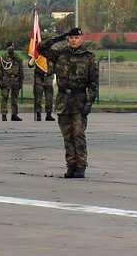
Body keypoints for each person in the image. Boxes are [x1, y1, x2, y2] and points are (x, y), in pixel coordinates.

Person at [37, 27, 99, 179]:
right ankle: (71, 164)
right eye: (70, 37)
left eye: (76, 38)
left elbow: (93, 82)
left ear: (81, 39)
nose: (73, 40)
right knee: (67, 135)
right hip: (63, 99)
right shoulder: (60, 54)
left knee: (78, 134)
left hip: (79, 99)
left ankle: (81, 166)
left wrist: (89, 103)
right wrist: (59, 37)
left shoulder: (89, 56)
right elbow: (40, 48)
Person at [0, 42, 24, 121]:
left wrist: (21, 81)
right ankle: (4, 114)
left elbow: (20, 70)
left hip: (15, 80)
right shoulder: (3, 57)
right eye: (10, 46)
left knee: (14, 99)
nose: (11, 47)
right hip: (6, 80)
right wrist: (0, 80)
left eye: (13, 46)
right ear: (7, 48)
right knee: (4, 98)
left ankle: (14, 115)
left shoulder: (17, 58)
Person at [28, 56, 55, 121]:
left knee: (49, 98)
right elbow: (30, 65)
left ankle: (48, 114)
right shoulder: (37, 55)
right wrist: (33, 58)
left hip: (48, 78)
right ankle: (38, 114)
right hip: (39, 78)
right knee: (38, 98)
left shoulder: (51, 54)